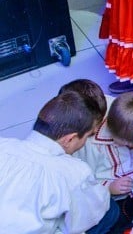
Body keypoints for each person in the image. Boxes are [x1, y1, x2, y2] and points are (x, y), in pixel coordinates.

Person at [0, 91, 115, 234]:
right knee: (111, 212)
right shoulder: (74, 172)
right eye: (88, 135)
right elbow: (87, 217)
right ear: (70, 139)